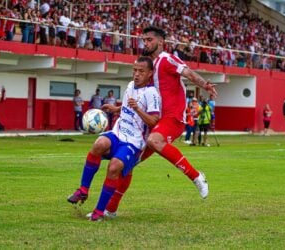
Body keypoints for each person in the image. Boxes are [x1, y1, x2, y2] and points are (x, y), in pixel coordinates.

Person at [104, 26, 217, 217]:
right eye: (144, 40)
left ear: (160, 42)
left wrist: (205, 85)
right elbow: (140, 96)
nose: (145, 43)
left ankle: (196, 176)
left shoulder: (167, 59)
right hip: (153, 121)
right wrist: (119, 108)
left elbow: (188, 73)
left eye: (149, 40)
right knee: (127, 163)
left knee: (154, 141)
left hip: (172, 117)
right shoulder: (147, 67)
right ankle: (110, 210)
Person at [67, 57, 160, 221]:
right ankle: (83, 190)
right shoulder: (131, 86)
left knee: (114, 167)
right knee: (99, 144)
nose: (136, 74)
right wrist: (116, 108)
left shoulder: (152, 94)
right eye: (135, 70)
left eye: (141, 71)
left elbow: (154, 121)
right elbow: (127, 106)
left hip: (134, 142)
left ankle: (99, 212)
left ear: (150, 73)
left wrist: (138, 109)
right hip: (118, 132)